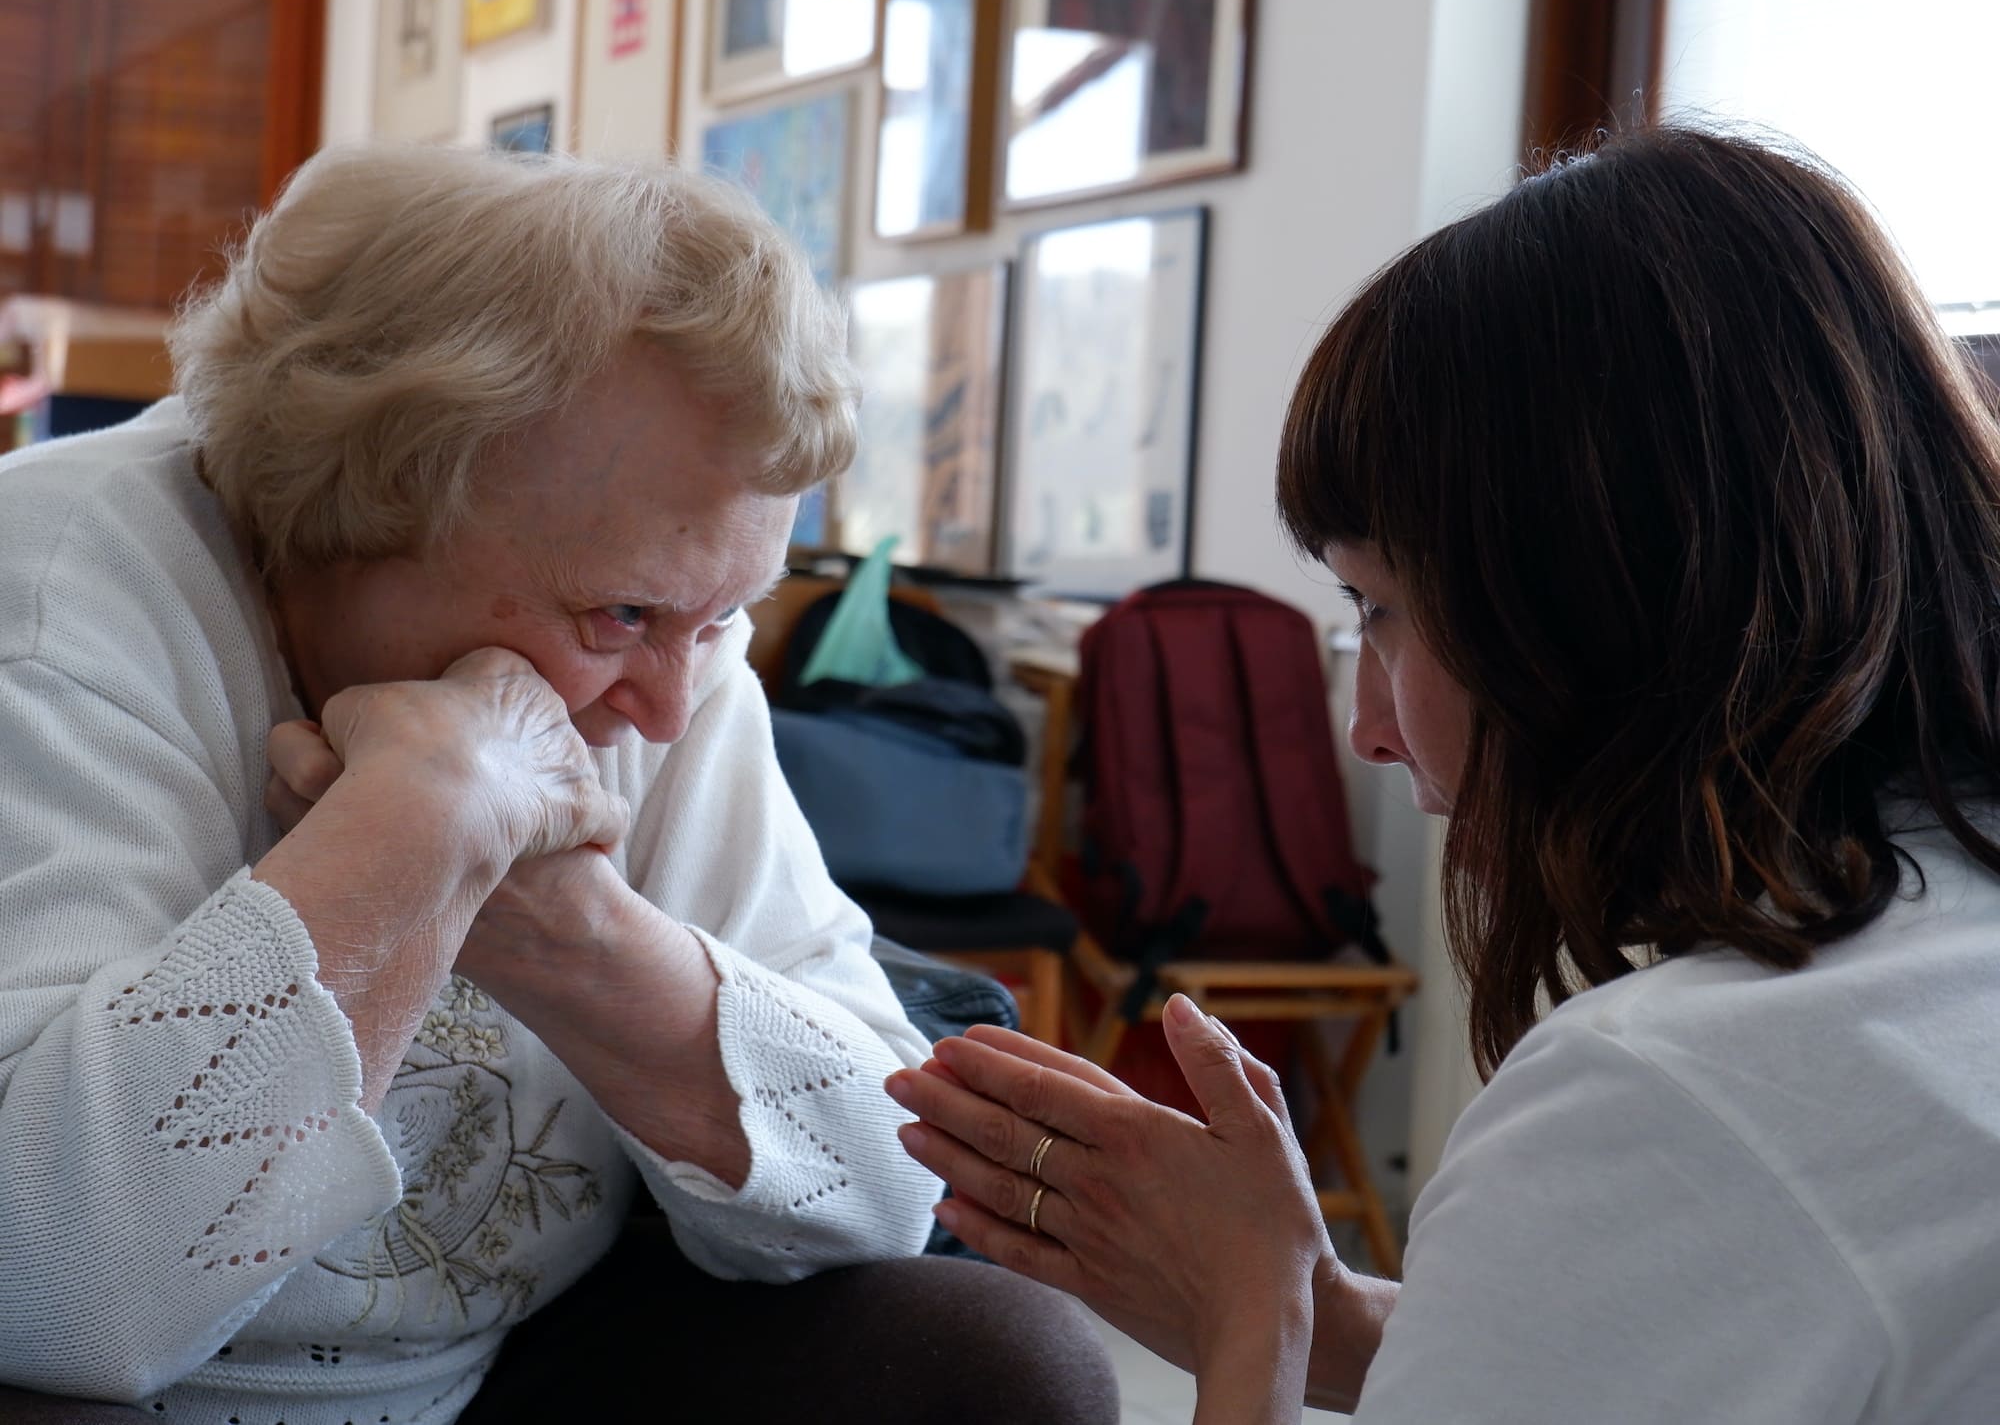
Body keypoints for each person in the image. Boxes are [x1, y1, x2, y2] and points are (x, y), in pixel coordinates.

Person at [887, 124, 2000, 1423]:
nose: (1365, 724)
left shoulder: (1678, 1094)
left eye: (1379, 606)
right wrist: (1321, 1302)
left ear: (1587, 598)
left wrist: (1251, 1317)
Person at [0, 144, 1115, 1425]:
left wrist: (568, 932)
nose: (662, 705)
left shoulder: (672, 647)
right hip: (132, 1396)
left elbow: (892, 1179)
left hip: (504, 1368)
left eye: (721, 618)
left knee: (998, 1360)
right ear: (347, 505)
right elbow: (58, 1287)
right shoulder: (58, 597)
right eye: (619, 613)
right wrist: (416, 831)